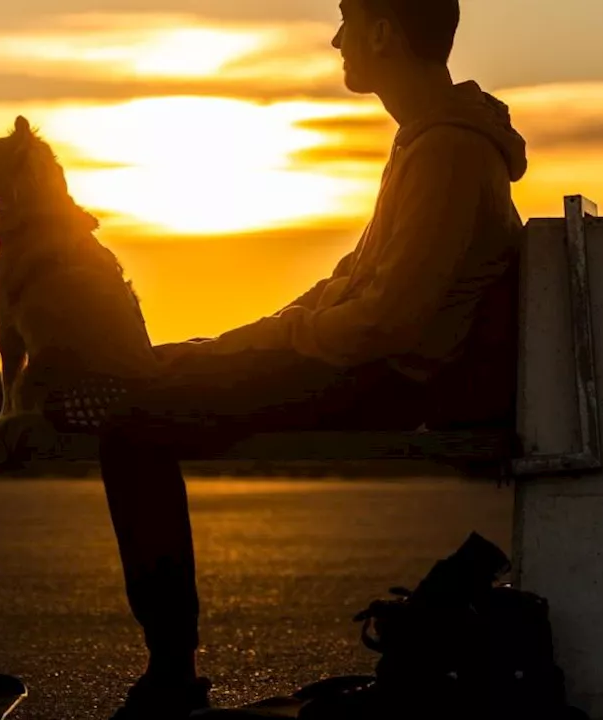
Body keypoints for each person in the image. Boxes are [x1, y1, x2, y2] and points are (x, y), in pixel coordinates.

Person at [95, 1, 528, 717]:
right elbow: (345, 284)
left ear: (385, 32)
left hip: (392, 380)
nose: (337, 40)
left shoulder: (448, 151)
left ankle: (171, 676)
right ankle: (168, 672)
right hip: (371, 368)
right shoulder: (427, 142)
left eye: (347, 22)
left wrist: (271, 345)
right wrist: (229, 346)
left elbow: (387, 321)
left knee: (135, 425)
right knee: (157, 380)